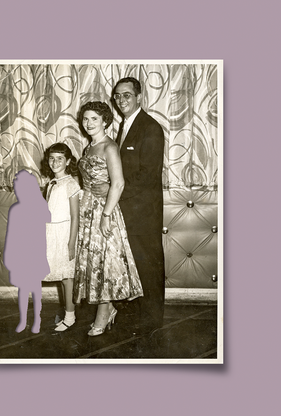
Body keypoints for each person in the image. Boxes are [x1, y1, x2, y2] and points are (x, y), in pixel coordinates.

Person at [73, 101, 143, 337]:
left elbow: (119, 183)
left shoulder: (109, 147)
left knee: (106, 265)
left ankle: (103, 315)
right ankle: (109, 308)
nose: (89, 123)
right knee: (96, 263)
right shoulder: (88, 148)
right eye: (85, 119)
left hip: (105, 211)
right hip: (87, 209)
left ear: (104, 121)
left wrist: (105, 216)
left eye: (94, 118)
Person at [112, 77, 166, 335]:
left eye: (127, 96)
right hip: (128, 209)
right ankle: (140, 316)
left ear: (139, 97)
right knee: (135, 264)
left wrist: (115, 192)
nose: (121, 101)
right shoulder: (124, 126)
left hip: (144, 211)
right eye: (118, 96)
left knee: (149, 264)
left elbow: (147, 175)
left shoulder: (150, 127)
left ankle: (154, 320)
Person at [40, 143, 81, 332]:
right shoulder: (51, 183)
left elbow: (75, 216)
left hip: (65, 233)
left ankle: (70, 316)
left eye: (60, 159)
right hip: (52, 233)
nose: (55, 162)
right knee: (60, 274)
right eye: (52, 158)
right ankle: (67, 312)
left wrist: (71, 243)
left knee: (67, 277)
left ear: (68, 161)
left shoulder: (71, 183)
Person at [3, 169, 51, 333]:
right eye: (17, 189)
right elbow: (11, 234)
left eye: (22, 188)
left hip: (36, 254)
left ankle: (37, 319)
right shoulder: (15, 209)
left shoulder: (40, 206)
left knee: (36, 288)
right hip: (21, 255)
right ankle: (23, 320)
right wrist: (9, 256)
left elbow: (48, 224)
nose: (19, 192)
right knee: (22, 289)